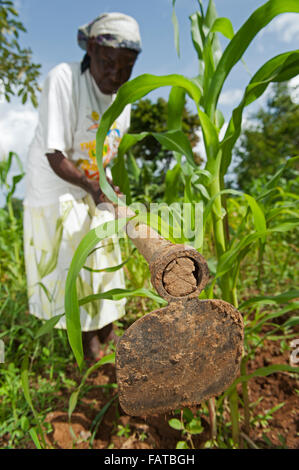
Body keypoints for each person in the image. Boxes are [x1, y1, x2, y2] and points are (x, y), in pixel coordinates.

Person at [23, 13, 142, 359]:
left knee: (105, 258)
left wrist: (106, 186)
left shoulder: (125, 99)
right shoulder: (64, 79)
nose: (116, 75)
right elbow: (55, 155)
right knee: (75, 263)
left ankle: (111, 333)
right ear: (91, 49)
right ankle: (89, 348)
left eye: (126, 67)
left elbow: (103, 156)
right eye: (108, 63)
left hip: (91, 188)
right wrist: (93, 188)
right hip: (56, 189)